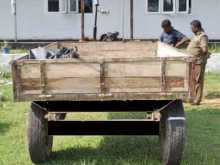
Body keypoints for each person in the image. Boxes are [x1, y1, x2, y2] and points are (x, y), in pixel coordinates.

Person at [187, 20, 210, 105]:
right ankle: (192, 98)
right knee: (193, 80)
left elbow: (204, 49)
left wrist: (201, 53)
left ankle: (197, 100)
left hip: (199, 62)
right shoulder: (195, 36)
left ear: (196, 27)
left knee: (198, 81)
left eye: (192, 27)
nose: (191, 29)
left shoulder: (203, 36)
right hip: (193, 62)